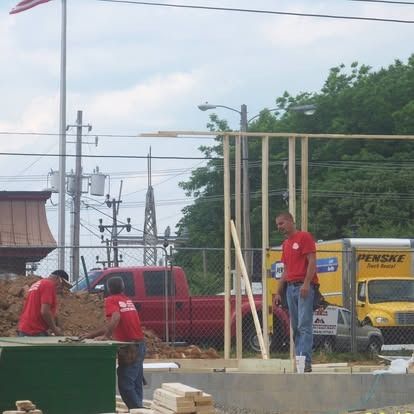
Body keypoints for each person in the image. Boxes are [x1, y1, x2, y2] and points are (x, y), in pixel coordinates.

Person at [82, 276, 146, 410]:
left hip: (129, 347)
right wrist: (89, 335)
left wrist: (106, 336)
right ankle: (138, 410)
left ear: (108, 289)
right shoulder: (127, 300)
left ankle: (139, 410)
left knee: (126, 385)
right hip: (140, 344)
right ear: (123, 288)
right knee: (136, 383)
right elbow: (113, 323)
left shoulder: (111, 300)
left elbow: (116, 318)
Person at [274, 212, 318, 372]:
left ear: (291, 221)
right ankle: (299, 359)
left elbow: (312, 261)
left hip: (303, 287)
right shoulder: (286, 244)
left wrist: (306, 284)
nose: (279, 227)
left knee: (304, 324)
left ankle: (305, 361)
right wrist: (278, 291)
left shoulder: (304, 237)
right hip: (290, 288)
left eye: (282, 223)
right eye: (278, 224)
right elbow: (285, 270)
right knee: (295, 326)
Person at [18, 269, 71, 337]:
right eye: (62, 284)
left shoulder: (39, 283)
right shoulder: (49, 285)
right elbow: (45, 311)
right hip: (34, 331)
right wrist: (55, 330)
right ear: (59, 279)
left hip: (26, 328)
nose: (62, 287)